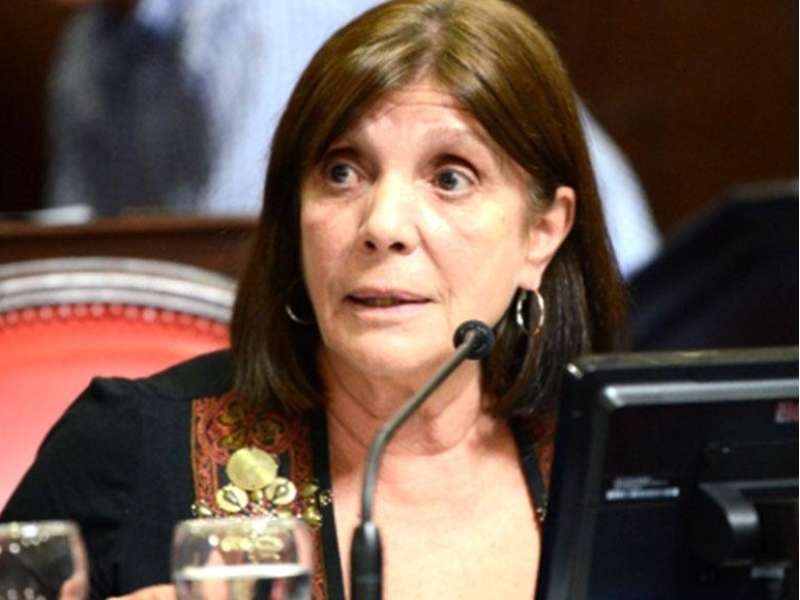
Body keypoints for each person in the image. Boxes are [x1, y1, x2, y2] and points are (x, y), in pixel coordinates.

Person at [3, 1, 627, 598]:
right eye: (342, 172)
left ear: (542, 233)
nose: (383, 225)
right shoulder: (129, 449)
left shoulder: (617, 472)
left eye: (450, 178)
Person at [45, 0, 659, 276]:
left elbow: (251, 253)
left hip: (579, 300)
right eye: (342, 174)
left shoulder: (264, 16)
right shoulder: (89, 47)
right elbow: (73, 261)